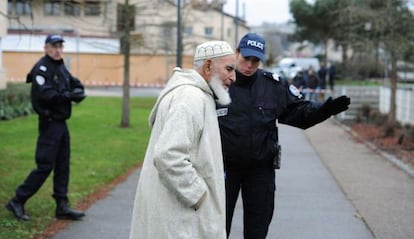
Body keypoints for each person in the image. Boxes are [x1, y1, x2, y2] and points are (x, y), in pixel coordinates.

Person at [216, 33, 351, 239]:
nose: (250, 65)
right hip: (223, 170)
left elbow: (299, 113)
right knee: (216, 229)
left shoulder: (273, 86)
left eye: (255, 61)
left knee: (257, 230)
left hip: (260, 171)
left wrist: (325, 110)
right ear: (236, 53)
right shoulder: (219, 84)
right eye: (246, 59)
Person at [129, 40, 236, 239]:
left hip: (180, 214)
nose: (233, 77)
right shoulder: (190, 97)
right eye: (229, 69)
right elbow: (169, 155)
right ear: (209, 66)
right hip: (181, 219)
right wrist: (198, 195)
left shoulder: (196, 95)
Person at [5, 34, 86, 221]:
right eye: (54, 46)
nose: (58, 50)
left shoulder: (60, 66)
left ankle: (62, 206)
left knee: (63, 165)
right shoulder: (41, 69)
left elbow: (74, 83)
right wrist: (68, 96)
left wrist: (78, 90)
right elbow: (46, 95)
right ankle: (18, 200)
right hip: (49, 124)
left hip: (61, 124)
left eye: (60, 46)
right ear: (46, 48)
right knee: (45, 166)